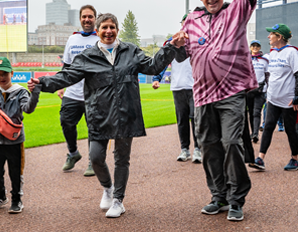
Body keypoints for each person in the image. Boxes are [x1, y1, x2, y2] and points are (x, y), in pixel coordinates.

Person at [28, 13, 186, 218]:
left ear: (117, 30)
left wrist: (171, 47)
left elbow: (153, 66)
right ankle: (108, 188)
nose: (108, 31)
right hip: (99, 114)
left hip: (126, 114)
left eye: (112, 27)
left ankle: (119, 200)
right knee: (95, 158)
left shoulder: (131, 51)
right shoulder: (87, 56)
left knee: (122, 159)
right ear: (98, 31)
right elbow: (66, 76)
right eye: (104, 28)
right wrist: (43, 83)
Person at [174, 0, 276, 222]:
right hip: (202, 96)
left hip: (231, 94)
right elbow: (181, 56)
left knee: (232, 143)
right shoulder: (190, 22)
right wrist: (177, 44)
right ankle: (217, 195)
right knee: (208, 147)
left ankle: (236, 197)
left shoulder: (236, 11)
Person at [0, 57, 41, 214]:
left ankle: (17, 199)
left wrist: (34, 94)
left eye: (5, 73)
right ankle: (0, 196)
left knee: (15, 172)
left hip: (15, 140)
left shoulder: (20, 92)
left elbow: (28, 109)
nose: (2, 77)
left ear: (12, 73)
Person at [250, 24, 298, 171]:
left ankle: (295, 159)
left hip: (288, 99)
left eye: (272, 34)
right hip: (273, 98)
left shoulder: (292, 52)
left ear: (280, 37)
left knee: (290, 130)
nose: (269, 37)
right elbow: (270, 74)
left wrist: (297, 96)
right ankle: (260, 158)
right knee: (268, 126)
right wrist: (269, 92)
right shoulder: (273, 53)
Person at [152, 14, 201, 163]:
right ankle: (184, 149)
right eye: (185, 22)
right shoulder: (172, 42)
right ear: (181, 24)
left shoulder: (198, 42)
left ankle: (198, 149)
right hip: (178, 86)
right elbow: (163, 61)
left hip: (195, 86)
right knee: (182, 120)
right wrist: (156, 79)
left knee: (196, 119)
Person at [58, 5, 100, 176]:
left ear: (95, 19)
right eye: (84, 17)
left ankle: (93, 161)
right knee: (66, 122)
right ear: (80, 19)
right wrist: (61, 84)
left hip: (94, 94)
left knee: (94, 129)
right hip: (73, 92)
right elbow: (66, 65)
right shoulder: (72, 39)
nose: (87, 19)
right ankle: (73, 153)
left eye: (90, 17)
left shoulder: (100, 39)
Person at [247, 40, 269, 144]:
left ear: (259, 47)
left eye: (257, 46)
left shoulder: (264, 60)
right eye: (253, 46)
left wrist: (268, 88)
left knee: (256, 112)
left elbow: (267, 75)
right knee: (250, 112)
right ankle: (251, 133)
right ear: (250, 47)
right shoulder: (246, 59)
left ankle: (255, 134)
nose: (255, 47)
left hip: (260, 90)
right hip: (249, 90)